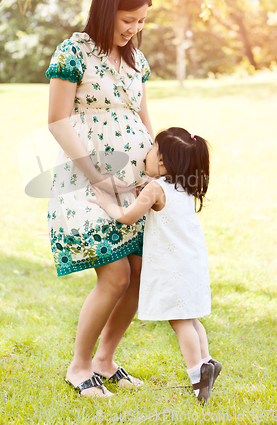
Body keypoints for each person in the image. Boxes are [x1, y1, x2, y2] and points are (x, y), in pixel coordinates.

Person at [45, 0, 154, 397]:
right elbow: (57, 121)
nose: (134, 29)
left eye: (142, 21)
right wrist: (99, 179)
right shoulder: (74, 51)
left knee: (140, 274)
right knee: (115, 275)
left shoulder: (136, 61)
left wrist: (157, 171)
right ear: (107, 10)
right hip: (87, 182)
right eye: (128, 19)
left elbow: (144, 122)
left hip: (134, 180)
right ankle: (79, 366)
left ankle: (105, 361)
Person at [89, 127, 222, 403]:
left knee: (180, 321)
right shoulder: (182, 186)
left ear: (161, 161)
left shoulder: (156, 188)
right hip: (193, 263)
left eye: (150, 149)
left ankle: (198, 375)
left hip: (173, 268)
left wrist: (105, 202)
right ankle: (207, 361)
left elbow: (127, 216)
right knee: (191, 317)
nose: (145, 154)